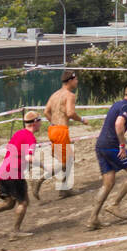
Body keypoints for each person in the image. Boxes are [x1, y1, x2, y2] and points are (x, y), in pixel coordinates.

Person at [0, 111, 46, 239]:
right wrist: (44, 166)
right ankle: (15, 232)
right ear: (35, 122)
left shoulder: (18, 133)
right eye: (39, 120)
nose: (41, 123)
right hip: (13, 174)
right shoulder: (30, 137)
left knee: (9, 203)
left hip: (3, 172)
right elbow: (29, 157)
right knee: (23, 202)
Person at [86, 84, 127, 230]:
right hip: (112, 147)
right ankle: (115, 204)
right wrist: (122, 146)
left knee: (108, 183)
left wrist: (126, 141)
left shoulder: (118, 104)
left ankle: (92, 219)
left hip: (101, 145)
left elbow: (112, 128)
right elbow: (119, 125)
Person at [32, 69, 92, 200]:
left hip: (53, 130)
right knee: (66, 161)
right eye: (76, 80)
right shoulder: (70, 95)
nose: (77, 82)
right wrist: (82, 119)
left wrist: (54, 122)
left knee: (67, 159)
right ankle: (40, 180)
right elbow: (70, 113)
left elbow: (46, 111)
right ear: (70, 80)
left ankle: (64, 189)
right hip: (61, 131)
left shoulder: (54, 95)